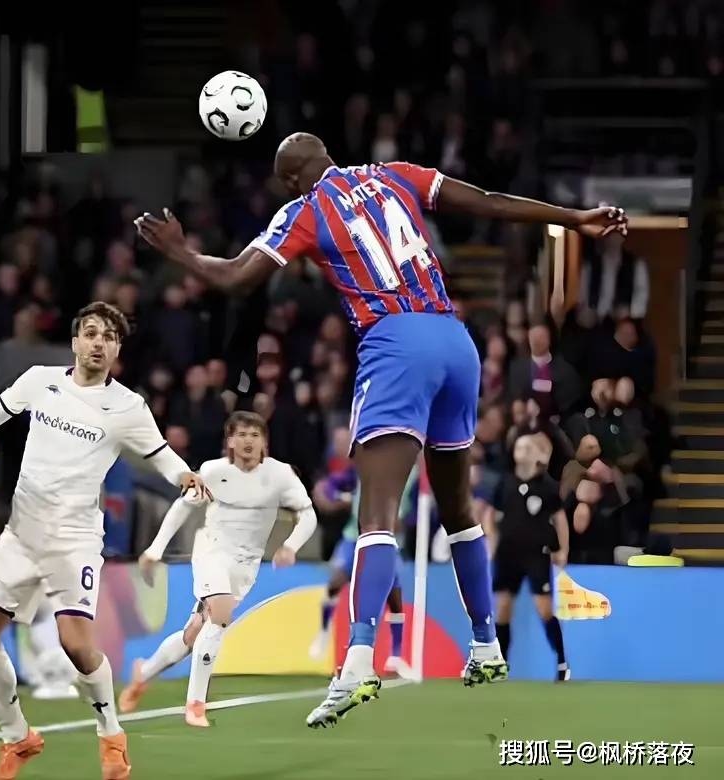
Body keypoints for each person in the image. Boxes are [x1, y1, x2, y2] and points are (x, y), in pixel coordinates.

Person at [135, 131, 627, 728]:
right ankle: (485, 644)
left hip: (395, 343)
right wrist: (574, 218)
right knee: (458, 509)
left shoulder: (305, 209)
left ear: (290, 181)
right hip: (456, 342)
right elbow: (491, 201)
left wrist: (181, 252)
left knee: (377, 516)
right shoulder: (396, 174)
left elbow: (238, 276)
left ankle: (358, 662)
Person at [0, 301, 207, 780]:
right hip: (21, 533)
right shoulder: (39, 381)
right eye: (91, 333)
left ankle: (111, 735)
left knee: (76, 645)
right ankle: (17, 737)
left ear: (117, 350)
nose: (98, 343)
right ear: (74, 341)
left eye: (109, 337)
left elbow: (159, 453)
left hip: (74, 539)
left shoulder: (128, 407)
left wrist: (184, 476)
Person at [119, 412, 317, 726]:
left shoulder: (280, 475)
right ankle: (195, 705)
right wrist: (155, 549)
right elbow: (182, 507)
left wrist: (290, 546)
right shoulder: (213, 471)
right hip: (211, 551)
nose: (248, 441)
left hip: (246, 565)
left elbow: (308, 515)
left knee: (194, 633)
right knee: (221, 615)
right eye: (242, 434)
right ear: (230, 441)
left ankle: (143, 673)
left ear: (264, 442)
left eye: (255, 435)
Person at [307, 466, 418, 680]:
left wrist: (405, 522)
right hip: (354, 537)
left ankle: (395, 657)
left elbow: (414, 510)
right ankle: (324, 631)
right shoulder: (363, 465)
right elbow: (331, 486)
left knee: (394, 598)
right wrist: (337, 497)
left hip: (388, 539)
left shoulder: (410, 471)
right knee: (335, 583)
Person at [492, 434, 571, 682]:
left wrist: (563, 549)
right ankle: (500, 663)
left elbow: (560, 519)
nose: (523, 451)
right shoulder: (505, 482)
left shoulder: (548, 486)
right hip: (507, 554)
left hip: (537, 554)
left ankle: (561, 661)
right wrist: (490, 542)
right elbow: (491, 514)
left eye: (528, 448)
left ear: (539, 455)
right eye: (519, 447)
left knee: (544, 608)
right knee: (502, 608)